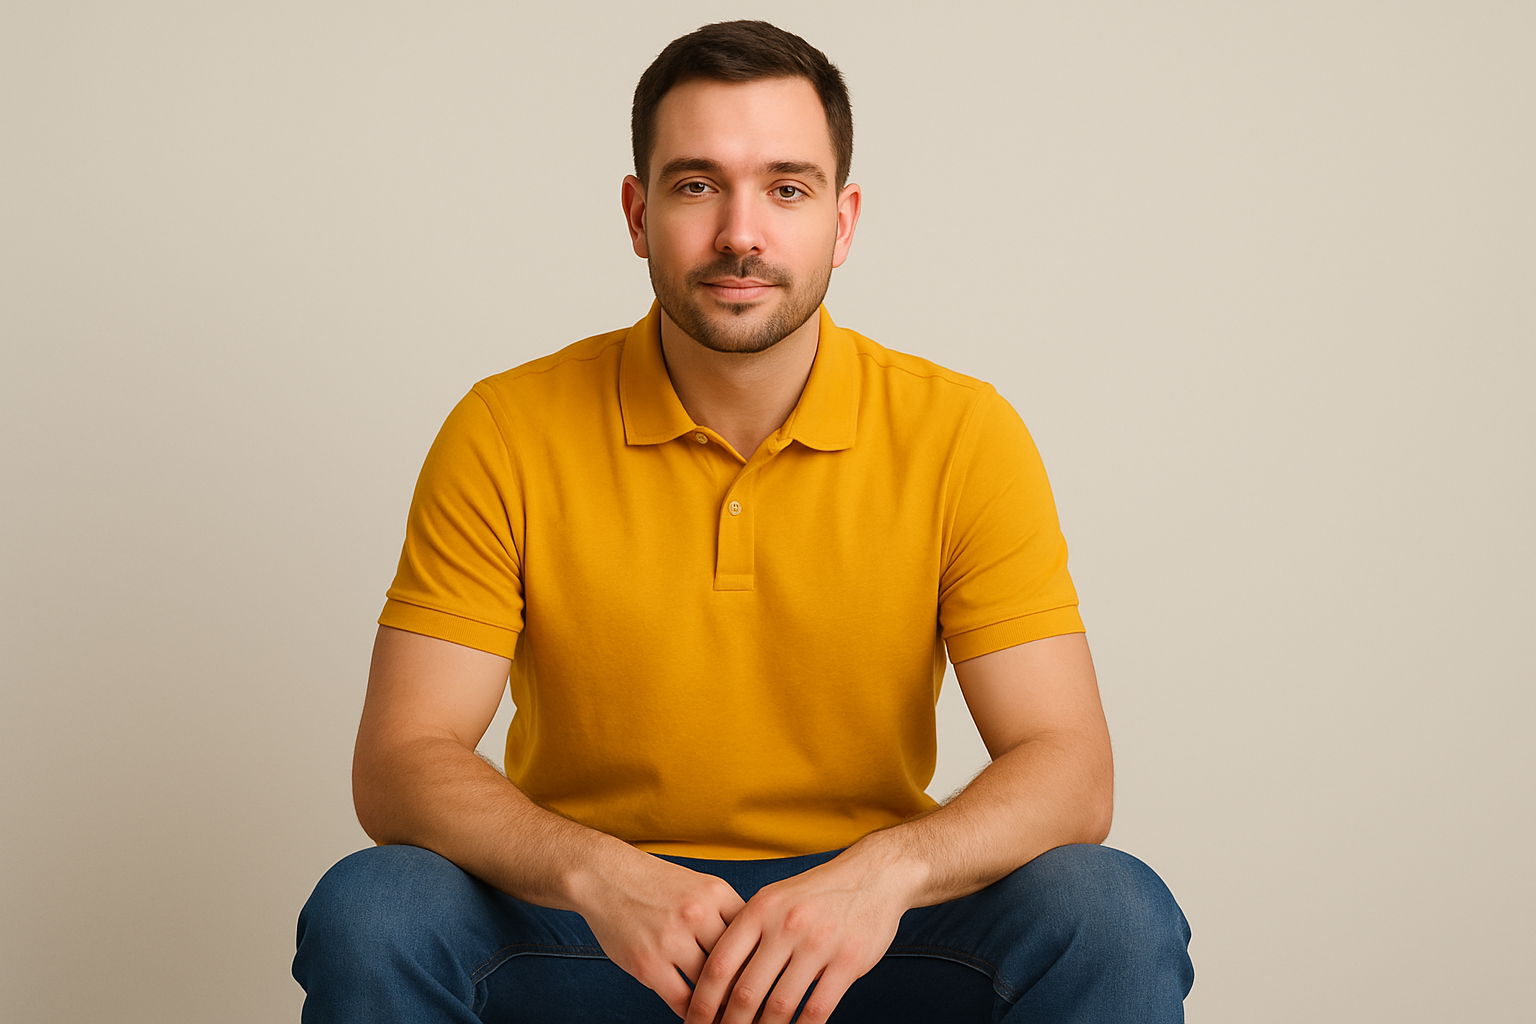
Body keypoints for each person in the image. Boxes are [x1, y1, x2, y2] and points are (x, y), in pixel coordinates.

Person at [294, 19, 1193, 1024]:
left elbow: (1070, 766)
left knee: (1110, 911)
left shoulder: (962, 433)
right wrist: (596, 873)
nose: (740, 233)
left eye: (787, 188)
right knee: (375, 908)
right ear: (637, 214)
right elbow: (402, 759)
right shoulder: (505, 430)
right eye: (696, 185)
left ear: (843, 223)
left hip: (861, 935)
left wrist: (883, 875)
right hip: (593, 931)